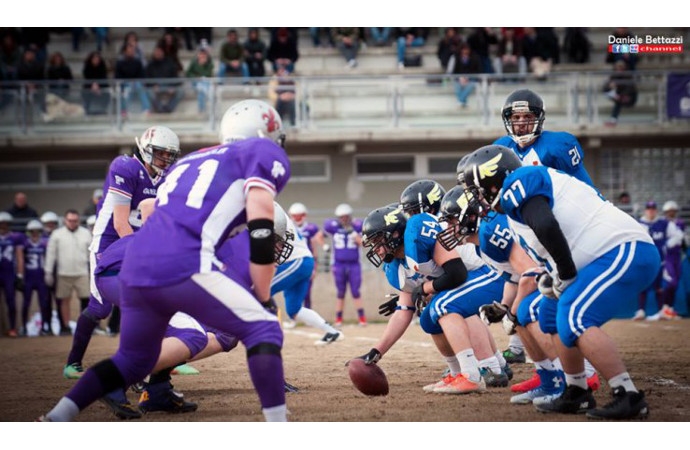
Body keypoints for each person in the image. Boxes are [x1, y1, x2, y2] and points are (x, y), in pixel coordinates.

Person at [40, 98, 292, 422]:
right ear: (263, 133)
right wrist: (262, 295)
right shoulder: (262, 153)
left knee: (132, 360)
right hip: (181, 263)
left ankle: (55, 418)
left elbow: (155, 213)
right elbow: (261, 226)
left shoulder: (190, 161)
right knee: (264, 328)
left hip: (135, 264)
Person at [461, 144, 658, 419]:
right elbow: (549, 236)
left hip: (623, 248)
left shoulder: (521, 180)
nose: (476, 197)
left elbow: (545, 224)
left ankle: (628, 395)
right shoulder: (513, 213)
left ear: (493, 181)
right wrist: (552, 275)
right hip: (597, 258)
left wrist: (563, 274)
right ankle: (576, 390)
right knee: (550, 313)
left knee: (576, 318)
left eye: (477, 188)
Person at [75, 125, 181, 380]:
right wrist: (144, 256)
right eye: (161, 153)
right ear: (145, 150)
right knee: (101, 309)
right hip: (110, 241)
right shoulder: (125, 167)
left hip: (136, 240)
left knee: (158, 298)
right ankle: (73, 362)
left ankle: (172, 355)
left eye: (170, 155)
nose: (166, 159)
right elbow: (121, 222)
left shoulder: (165, 177)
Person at [271, 202, 342, 345]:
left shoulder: (271, 212)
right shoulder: (276, 212)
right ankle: (332, 332)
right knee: (294, 310)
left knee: (262, 290)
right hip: (301, 261)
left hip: (296, 261)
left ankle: (267, 335)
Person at [493, 88, 595, 187]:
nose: (521, 123)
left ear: (539, 119)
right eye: (516, 117)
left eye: (528, 117)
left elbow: (584, 187)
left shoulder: (557, 146)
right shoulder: (501, 148)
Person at [43, 209, 92, 336]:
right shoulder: (57, 234)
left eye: (75, 221)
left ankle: (84, 327)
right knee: (63, 300)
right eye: (70, 220)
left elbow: (91, 254)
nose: (72, 223)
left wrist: (93, 271)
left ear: (79, 221)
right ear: (65, 220)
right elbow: (51, 254)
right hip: (63, 273)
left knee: (86, 300)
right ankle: (65, 327)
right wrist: (48, 272)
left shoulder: (86, 233)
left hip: (82, 273)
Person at [634, 201, 684, 321]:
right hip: (645, 261)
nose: (651, 211)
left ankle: (662, 310)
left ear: (656, 210)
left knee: (660, 286)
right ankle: (641, 311)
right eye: (649, 209)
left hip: (662, 261)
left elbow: (678, 235)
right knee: (643, 285)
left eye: (653, 209)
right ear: (645, 210)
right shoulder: (640, 224)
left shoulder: (664, 223)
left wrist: (667, 245)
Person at [323, 203, 366, 327]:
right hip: (339, 264)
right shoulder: (333, 226)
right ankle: (338, 319)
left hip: (354, 264)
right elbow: (320, 235)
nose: (344, 219)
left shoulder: (357, 226)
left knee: (355, 291)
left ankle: (362, 318)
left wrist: (353, 233)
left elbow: (362, 243)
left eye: (346, 216)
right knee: (340, 292)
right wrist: (324, 245)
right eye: (342, 217)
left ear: (350, 216)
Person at [287, 202, 324, 310]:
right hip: (292, 261)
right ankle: (293, 316)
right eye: (295, 215)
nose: (297, 218)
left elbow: (314, 250)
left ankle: (308, 316)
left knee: (306, 293)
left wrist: (314, 268)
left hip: (306, 262)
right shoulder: (288, 228)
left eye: (300, 215)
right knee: (292, 292)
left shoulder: (311, 228)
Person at [20, 219, 50, 336]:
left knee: (43, 303)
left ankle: (44, 327)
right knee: (26, 303)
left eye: (37, 231)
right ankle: (23, 326)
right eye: (32, 231)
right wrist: (20, 275)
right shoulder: (25, 244)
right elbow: (19, 259)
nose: (35, 233)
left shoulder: (44, 243)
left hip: (41, 276)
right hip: (29, 276)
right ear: (29, 232)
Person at [659, 200, 686, 319]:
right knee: (672, 282)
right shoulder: (663, 224)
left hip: (677, 255)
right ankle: (665, 307)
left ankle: (670, 308)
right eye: (669, 211)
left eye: (673, 211)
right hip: (668, 256)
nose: (671, 213)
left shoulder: (680, 223)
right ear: (665, 212)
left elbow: (681, 239)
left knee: (676, 284)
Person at [0, 211, 24, 337]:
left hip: (9, 273)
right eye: (1, 223)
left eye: (5, 223)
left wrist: (20, 275)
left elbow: (19, 256)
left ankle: (12, 328)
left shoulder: (15, 237)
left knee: (11, 302)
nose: (3, 226)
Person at [144, 46, 185, 114]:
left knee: (181, 91)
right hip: (156, 87)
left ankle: (168, 108)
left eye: (160, 52)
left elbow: (176, 77)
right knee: (149, 91)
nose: (158, 53)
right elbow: (146, 79)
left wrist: (172, 86)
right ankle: (160, 109)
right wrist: (152, 85)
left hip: (168, 86)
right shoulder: (150, 65)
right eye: (156, 52)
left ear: (163, 53)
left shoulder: (169, 63)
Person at [115, 42, 151, 117]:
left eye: (133, 50)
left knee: (138, 85)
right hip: (124, 84)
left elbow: (142, 75)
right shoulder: (120, 63)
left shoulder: (137, 62)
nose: (132, 52)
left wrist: (134, 80)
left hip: (136, 83)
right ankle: (124, 110)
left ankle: (146, 109)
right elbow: (118, 77)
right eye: (129, 50)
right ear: (125, 51)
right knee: (127, 87)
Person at [603, 59, 638, 127]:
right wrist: (610, 87)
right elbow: (605, 89)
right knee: (614, 97)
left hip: (629, 98)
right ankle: (613, 120)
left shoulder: (628, 76)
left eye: (621, 67)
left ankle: (613, 120)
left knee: (618, 101)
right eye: (618, 67)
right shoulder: (613, 76)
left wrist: (621, 95)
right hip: (619, 97)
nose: (619, 69)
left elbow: (631, 90)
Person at [449, 43, 482, 108]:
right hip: (459, 79)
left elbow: (478, 70)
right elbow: (454, 72)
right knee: (457, 85)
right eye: (463, 50)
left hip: (471, 79)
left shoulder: (475, 58)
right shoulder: (456, 58)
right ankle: (463, 102)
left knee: (471, 85)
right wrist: (460, 78)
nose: (465, 51)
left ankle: (460, 101)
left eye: (467, 49)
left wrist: (468, 78)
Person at [185, 47, 214, 114]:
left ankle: (202, 109)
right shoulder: (194, 62)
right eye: (201, 54)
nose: (202, 56)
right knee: (201, 86)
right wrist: (196, 77)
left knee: (201, 90)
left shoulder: (209, 63)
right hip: (196, 81)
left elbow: (209, 74)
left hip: (205, 82)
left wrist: (203, 65)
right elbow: (188, 73)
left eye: (204, 55)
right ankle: (205, 106)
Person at [81, 51, 111, 115]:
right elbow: (87, 78)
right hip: (89, 86)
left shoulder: (102, 67)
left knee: (107, 92)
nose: (96, 60)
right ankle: (87, 109)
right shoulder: (87, 67)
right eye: (94, 59)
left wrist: (98, 86)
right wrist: (93, 85)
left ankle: (103, 109)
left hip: (101, 86)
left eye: (97, 59)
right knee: (85, 92)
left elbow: (103, 78)